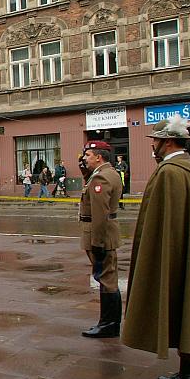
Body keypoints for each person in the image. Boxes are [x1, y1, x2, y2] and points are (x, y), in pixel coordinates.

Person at [123, 115, 190, 379]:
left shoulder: (169, 172)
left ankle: (189, 374)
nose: (153, 146)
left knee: (181, 301)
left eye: (155, 141)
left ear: (165, 141)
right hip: (186, 250)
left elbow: (160, 226)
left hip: (175, 253)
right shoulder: (188, 167)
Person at [79, 141, 123, 339]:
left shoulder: (101, 178)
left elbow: (99, 214)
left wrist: (97, 242)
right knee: (108, 277)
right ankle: (110, 323)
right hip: (107, 233)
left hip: (99, 235)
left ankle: (108, 324)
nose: (84, 159)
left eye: (87, 155)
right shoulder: (109, 173)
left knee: (106, 278)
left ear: (99, 156)